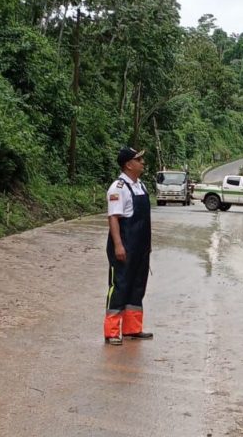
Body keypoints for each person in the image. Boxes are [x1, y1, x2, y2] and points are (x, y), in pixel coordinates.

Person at [103, 146, 154, 345]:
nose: (142, 162)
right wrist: (118, 245)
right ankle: (112, 332)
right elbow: (113, 218)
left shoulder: (140, 186)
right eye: (138, 159)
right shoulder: (118, 188)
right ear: (128, 165)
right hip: (124, 246)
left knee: (137, 286)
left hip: (141, 247)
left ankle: (133, 329)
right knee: (120, 286)